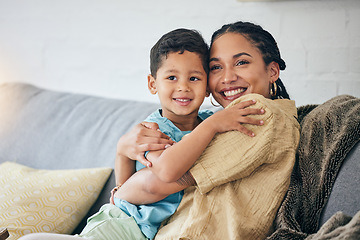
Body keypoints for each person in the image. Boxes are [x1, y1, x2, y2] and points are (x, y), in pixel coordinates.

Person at [18, 27, 262, 240]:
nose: (183, 87)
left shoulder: (209, 121)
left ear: (207, 85)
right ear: (152, 84)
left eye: (195, 78)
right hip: (122, 225)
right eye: (171, 77)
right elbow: (167, 171)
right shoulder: (152, 130)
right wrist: (215, 124)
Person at [117, 21, 301, 240]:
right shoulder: (217, 120)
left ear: (272, 71)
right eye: (216, 67)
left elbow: (154, 183)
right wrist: (122, 152)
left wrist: (121, 185)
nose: (227, 78)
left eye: (241, 62)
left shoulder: (258, 113)